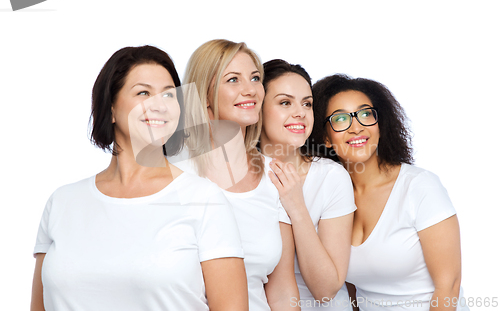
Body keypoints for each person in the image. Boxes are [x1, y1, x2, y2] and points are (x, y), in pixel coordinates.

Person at [30, 45, 248, 311]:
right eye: (143, 92)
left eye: (169, 95)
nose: (159, 105)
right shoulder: (62, 202)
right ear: (110, 108)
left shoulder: (204, 200)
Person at [309, 74, 469, 311]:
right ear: (326, 138)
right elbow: (349, 290)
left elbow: (449, 287)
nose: (356, 127)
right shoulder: (331, 199)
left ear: (380, 126)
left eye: (365, 114)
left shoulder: (420, 186)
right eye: (340, 119)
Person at [174, 39, 299, 310]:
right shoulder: (172, 179)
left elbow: (281, 289)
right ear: (203, 96)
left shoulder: (275, 176)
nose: (250, 89)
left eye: (255, 78)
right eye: (233, 80)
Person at [259, 59, 356, 311]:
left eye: (307, 103)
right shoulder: (239, 174)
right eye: (284, 102)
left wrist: (297, 206)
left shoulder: (331, 177)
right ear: (257, 108)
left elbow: (326, 289)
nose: (300, 112)